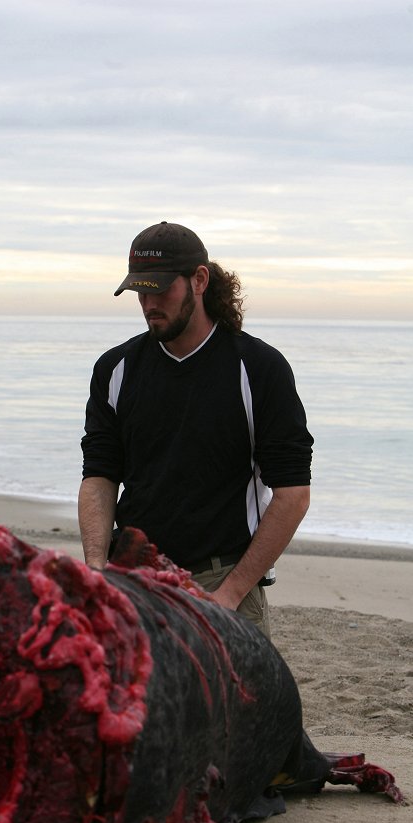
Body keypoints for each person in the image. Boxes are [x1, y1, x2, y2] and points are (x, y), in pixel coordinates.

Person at [78, 220, 313, 637]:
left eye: (161, 288)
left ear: (199, 280)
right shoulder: (115, 369)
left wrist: (231, 593)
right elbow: (100, 475)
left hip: (221, 580)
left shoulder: (258, 369)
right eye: (140, 292)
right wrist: (96, 569)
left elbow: (293, 494)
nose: (149, 303)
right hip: (132, 578)